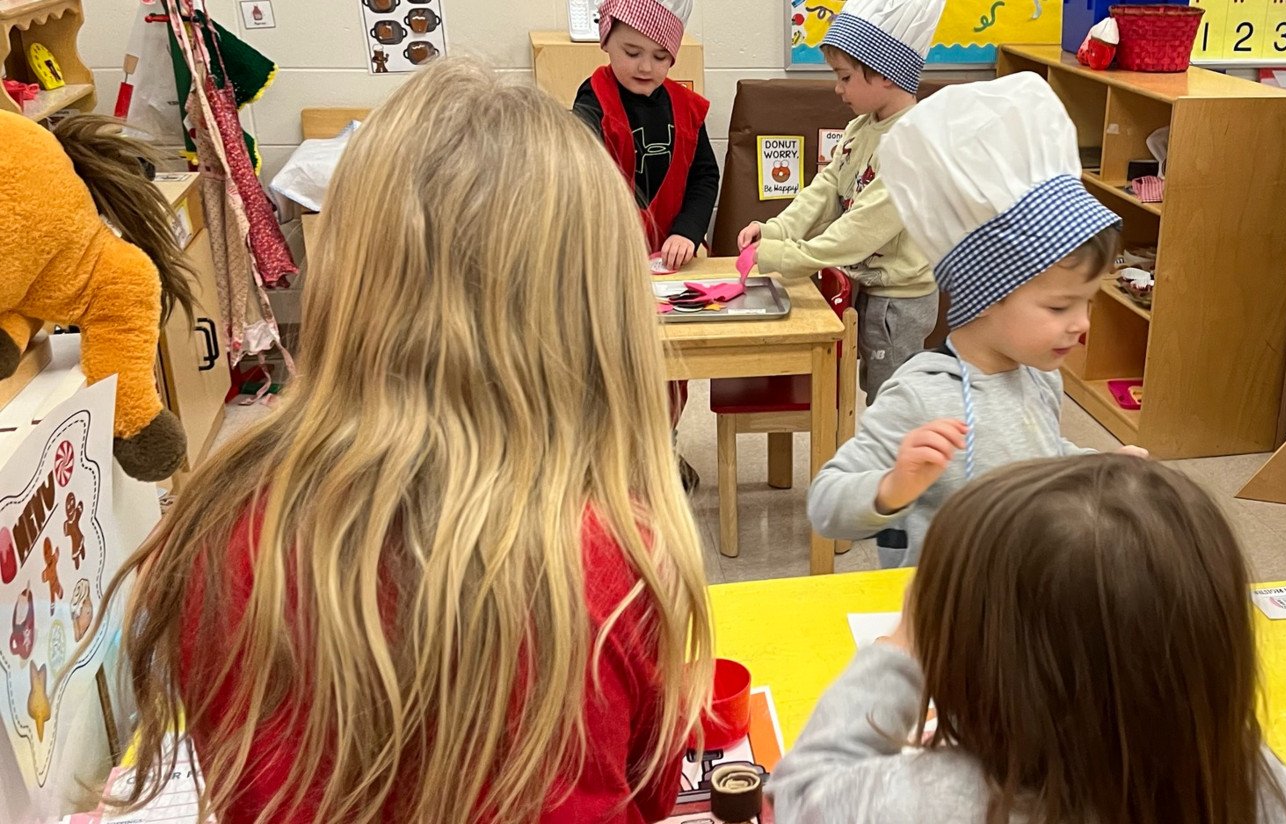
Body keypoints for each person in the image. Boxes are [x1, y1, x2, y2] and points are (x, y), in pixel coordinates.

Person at [91, 60, 713, 824]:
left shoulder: (219, 526)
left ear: (351, 274)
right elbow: (647, 789)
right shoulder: (606, 558)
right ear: (598, 311)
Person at [775, 455, 1286, 823]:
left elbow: (798, 792)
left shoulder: (929, 801)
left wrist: (901, 650)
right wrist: (1203, 719)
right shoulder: (1246, 789)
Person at [806, 72, 1145, 568]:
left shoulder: (1038, 380)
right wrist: (892, 486)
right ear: (985, 293)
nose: (1083, 325)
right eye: (1059, 306)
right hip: (942, 619)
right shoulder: (921, 394)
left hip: (1018, 605)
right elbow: (826, 505)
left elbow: (1040, 458)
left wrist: (1094, 465)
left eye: (1087, 303)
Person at [736, 0, 946, 402]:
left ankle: (903, 463)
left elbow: (860, 231)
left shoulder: (914, 144)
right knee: (875, 390)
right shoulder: (859, 128)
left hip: (900, 303)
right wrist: (776, 229)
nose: (838, 88)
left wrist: (788, 256)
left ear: (884, 72)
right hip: (871, 288)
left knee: (893, 402)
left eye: (845, 76)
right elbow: (824, 191)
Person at [573, 0, 716, 268]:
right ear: (605, 42)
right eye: (632, 53)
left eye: (660, 56)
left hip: (674, 259)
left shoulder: (688, 108)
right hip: (611, 258)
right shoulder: (594, 101)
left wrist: (688, 231)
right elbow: (582, 169)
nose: (646, 67)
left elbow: (705, 177)